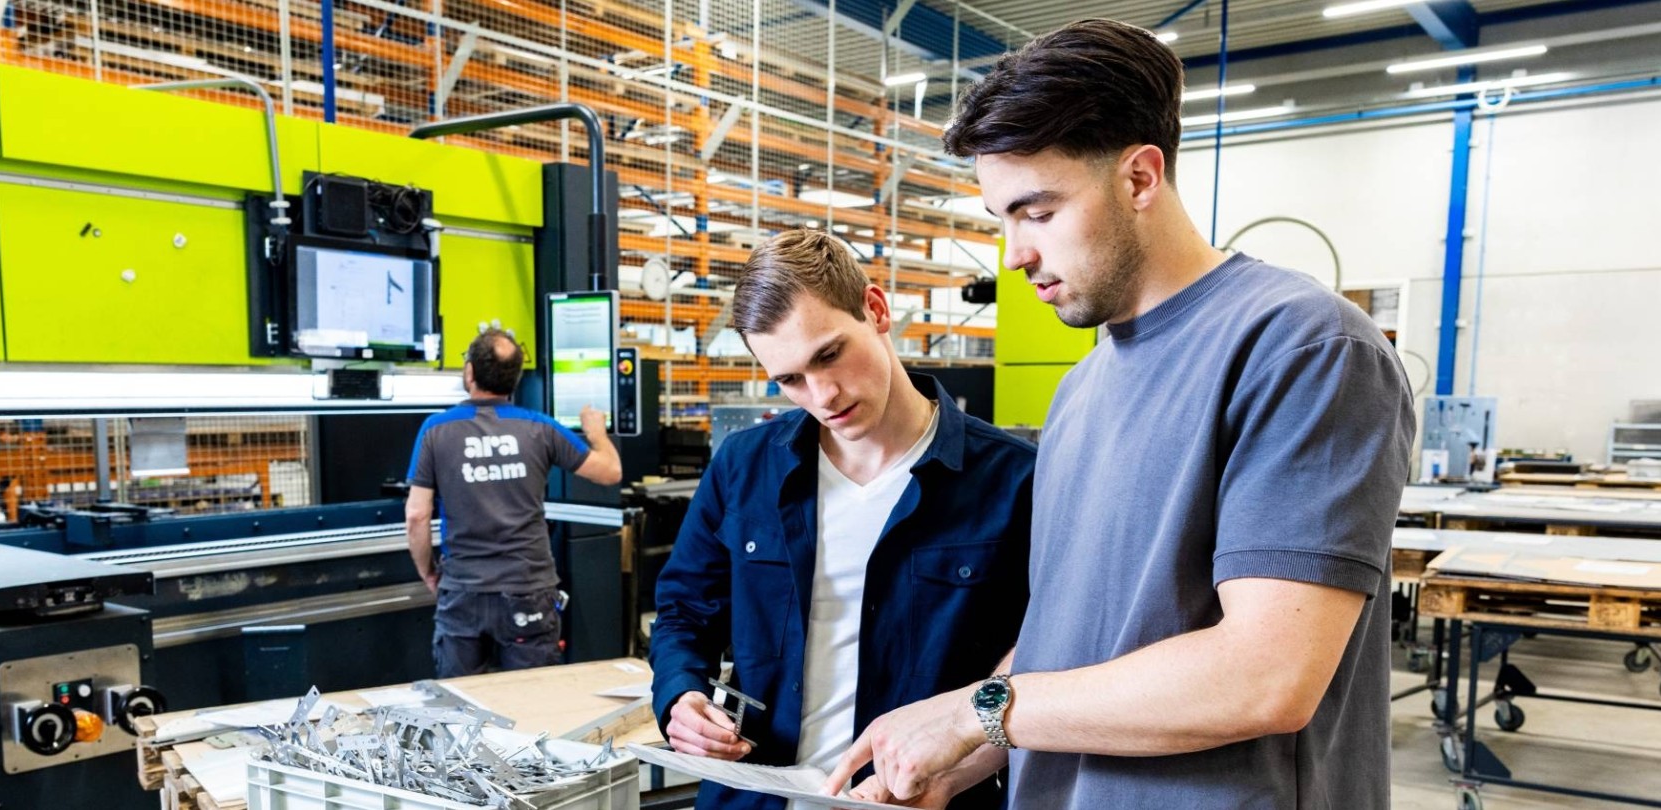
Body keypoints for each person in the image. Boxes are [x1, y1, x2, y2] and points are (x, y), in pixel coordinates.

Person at [824, 18, 1415, 809]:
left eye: (1037, 212)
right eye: (1001, 218)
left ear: (1140, 178)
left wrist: (975, 712)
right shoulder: (1084, 389)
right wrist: (954, 762)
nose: (1014, 253)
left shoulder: (1301, 349)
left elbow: (1266, 676)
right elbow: (1066, 643)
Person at [649, 229, 1037, 810]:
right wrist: (681, 697)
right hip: (756, 796)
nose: (822, 394)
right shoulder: (743, 467)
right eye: (790, 380)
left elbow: (1040, 655)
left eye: (829, 354)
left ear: (875, 310)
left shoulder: (1014, 482)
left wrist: (951, 774)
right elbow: (684, 611)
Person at [406, 329, 622, 677]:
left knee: (459, 710)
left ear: (469, 372)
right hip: (529, 589)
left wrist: (428, 571)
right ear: (515, 380)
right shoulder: (540, 428)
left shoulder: (435, 430)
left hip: (463, 589)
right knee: (533, 701)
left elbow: (417, 515)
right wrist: (596, 432)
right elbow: (610, 471)